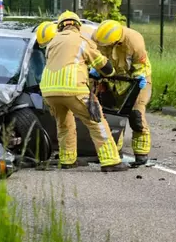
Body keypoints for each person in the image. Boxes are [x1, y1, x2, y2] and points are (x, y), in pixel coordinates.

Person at [40, 11, 129, 172]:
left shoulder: (52, 43)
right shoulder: (81, 40)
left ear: (60, 27)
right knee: (96, 121)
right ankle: (111, 161)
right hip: (73, 88)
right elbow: (104, 65)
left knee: (64, 124)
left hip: (49, 91)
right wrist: (108, 73)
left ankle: (67, 159)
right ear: (78, 26)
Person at [92, 20, 152, 166]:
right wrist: (97, 71)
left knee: (136, 115)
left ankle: (141, 153)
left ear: (117, 41)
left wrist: (139, 77)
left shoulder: (134, 41)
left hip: (135, 81)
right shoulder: (99, 39)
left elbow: (141, 65)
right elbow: (98, 59)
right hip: (112, 81)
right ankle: (115, 152)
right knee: (113, 117)